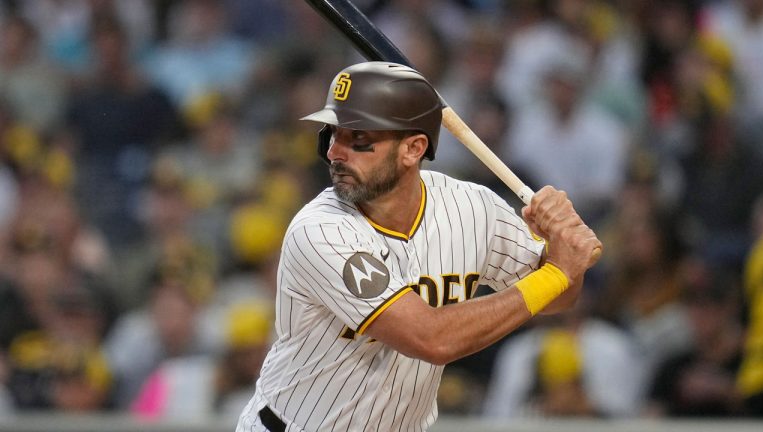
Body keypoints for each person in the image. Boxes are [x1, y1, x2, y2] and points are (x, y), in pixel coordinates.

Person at [236, 61, 601, 432]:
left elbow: (558, 298)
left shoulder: (473, 208)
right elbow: (430, 337)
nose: (335, 153)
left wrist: (560, 250)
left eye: (359, 140)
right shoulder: (320, 230)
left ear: (413, 149)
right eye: (333, 134)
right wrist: (556, 272)